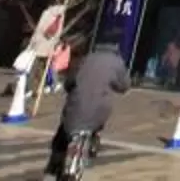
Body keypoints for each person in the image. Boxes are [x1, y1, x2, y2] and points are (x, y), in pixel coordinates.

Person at [48, 29, 128, 177]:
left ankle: (54, 166)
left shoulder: (85, 59)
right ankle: (92, 144)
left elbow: (70, 82)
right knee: (96, 123)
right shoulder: (118, 63)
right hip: (100, 111)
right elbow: (124, 86)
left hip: (75, 110)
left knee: (63, 134)